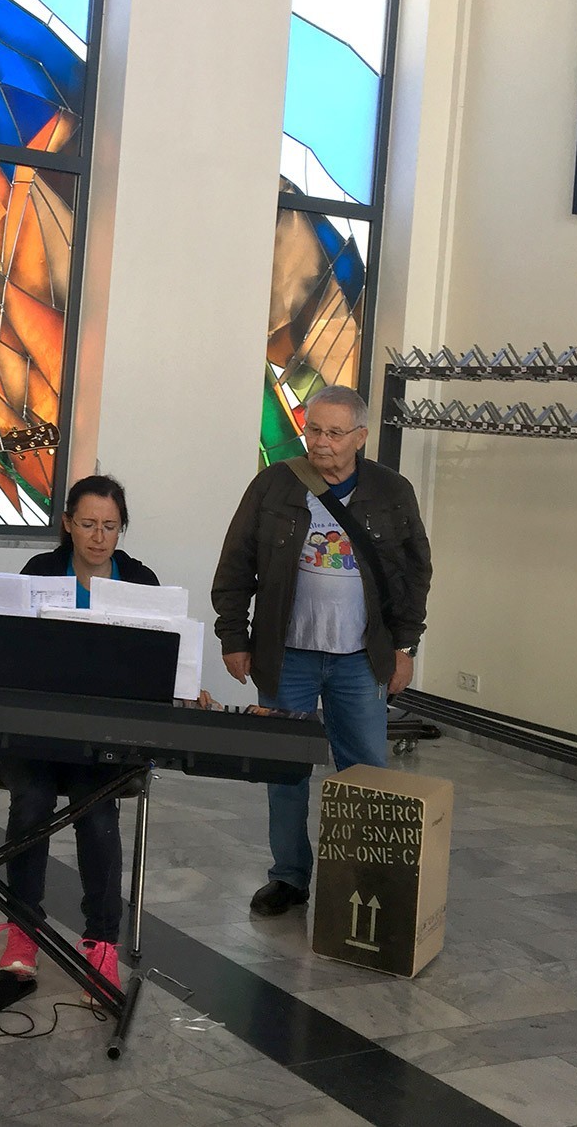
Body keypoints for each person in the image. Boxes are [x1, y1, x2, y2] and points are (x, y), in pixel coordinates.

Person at [211, 386, 432, 917]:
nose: (322, 443)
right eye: (314, 430)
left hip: (361, 658)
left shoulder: (391, 491)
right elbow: (236, 563)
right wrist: (233, 636)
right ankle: (288, 877)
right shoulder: (273, 485)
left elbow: (414, 572)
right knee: (285, 771)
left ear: (360, 437)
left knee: (364, 773)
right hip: (286, 655)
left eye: (335, 433)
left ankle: (359, 881)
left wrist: (406, 645)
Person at [0, 475, 160, 995]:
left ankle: (102, 943)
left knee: (97, 808)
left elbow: (158, 662)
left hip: (103, 738)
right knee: (32, 800)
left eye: (110, 526)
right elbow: (8, 656)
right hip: (36, 732)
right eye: (87, 524)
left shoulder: (140, 580)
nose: (99, 537)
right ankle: (23, 929)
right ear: (67, 524)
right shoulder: (39, 572)